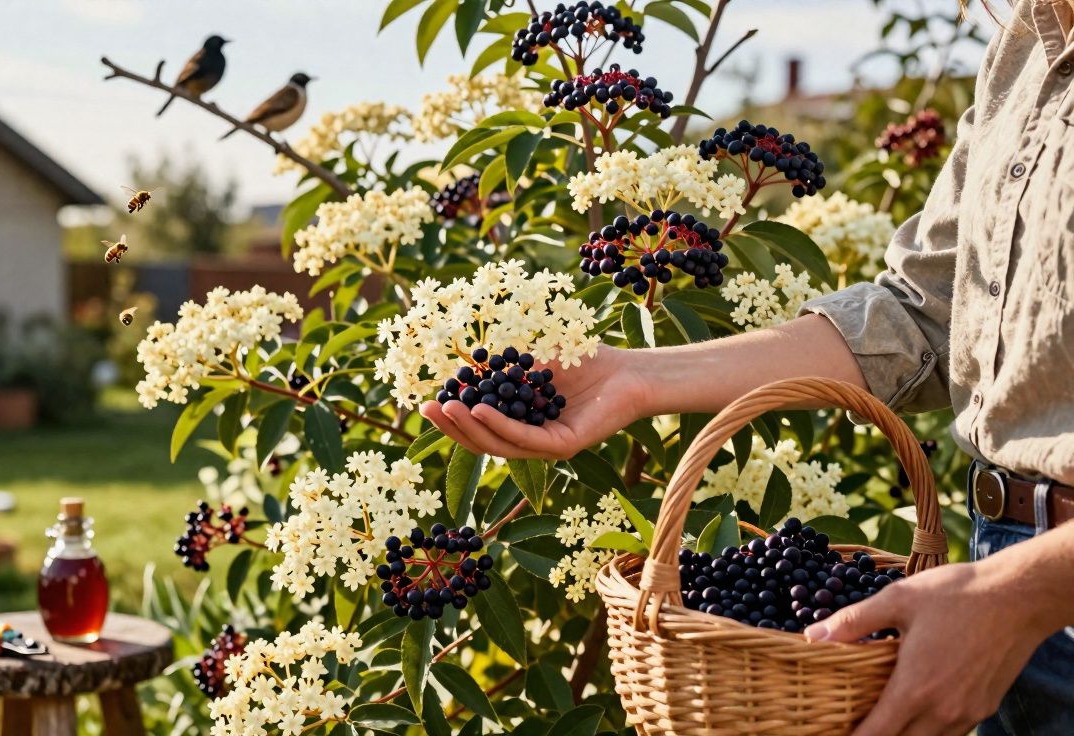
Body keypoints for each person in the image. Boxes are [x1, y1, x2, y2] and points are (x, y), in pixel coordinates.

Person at [420, 1, 1074, 733]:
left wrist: (1021, 596)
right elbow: (924, 313)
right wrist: (634, 378)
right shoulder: (1029, 43)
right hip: (999, 581)